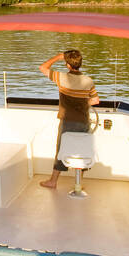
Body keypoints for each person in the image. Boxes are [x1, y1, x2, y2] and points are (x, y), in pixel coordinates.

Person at [39, 49, 100, 190]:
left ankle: (53, 181)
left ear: (68, 65)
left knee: (62, 149)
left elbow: (42, 67)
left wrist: (58, 57)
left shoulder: (61, 78)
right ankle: (78, 183)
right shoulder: (88, 81)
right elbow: (95, 100)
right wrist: (83, 103)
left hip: (67, 121)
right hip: (84, 121)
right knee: (82, 149)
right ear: (80, 63)